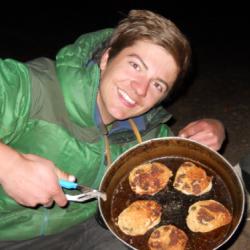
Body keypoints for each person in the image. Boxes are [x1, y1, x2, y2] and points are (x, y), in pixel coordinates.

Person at [0, 9, 225, 249]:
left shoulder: (146, 132)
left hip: (90, 227)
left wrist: (216, 128)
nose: (140, 89)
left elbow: (185, 170)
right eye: (136, 66)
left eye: (158, 85)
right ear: (106, 58)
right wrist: (9, 164)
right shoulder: (32, 88)